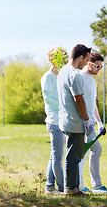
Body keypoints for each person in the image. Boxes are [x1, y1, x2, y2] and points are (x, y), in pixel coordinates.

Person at [57, 44, 93, 197]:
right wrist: (86, 120)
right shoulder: (74, 74)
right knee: (74, 157)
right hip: (75, 121)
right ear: (80, 57)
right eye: (87, 59)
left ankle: (74, 188)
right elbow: (79, 99)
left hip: (65, 119)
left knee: (73, 156)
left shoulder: (62, 72)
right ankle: (71, 190)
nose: (87, 63)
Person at [78, 52, 107, 194]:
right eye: (97, 66)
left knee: (96, 150)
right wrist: (85, 121)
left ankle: (96, 186)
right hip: (82, 123)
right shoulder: (79, 77)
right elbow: (77, 101)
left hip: (91, 123)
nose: (99, 69)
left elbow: (93, 104)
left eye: (101, 67)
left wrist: (99, 122)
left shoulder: (92, 81)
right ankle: (79, 185)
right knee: (81, 154)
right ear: (89, 64)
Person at [41, 48, 67, 194]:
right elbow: (48, 99)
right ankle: (63, 187)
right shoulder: (48, 77)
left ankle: (50, 187)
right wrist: (65, 105)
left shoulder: (60, 76)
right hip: (54, 120)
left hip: (62, 119)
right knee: (58, 156)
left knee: (54, 155)